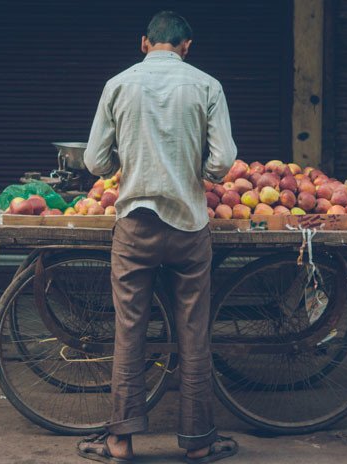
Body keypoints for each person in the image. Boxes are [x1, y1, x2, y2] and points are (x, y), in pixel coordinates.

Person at [80, 10, 238, 464]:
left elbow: (94, 160)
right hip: (189, 225)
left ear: (145, 43)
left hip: (135, 225)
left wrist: (119, 166)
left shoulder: (119, 84)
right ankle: (199, 442)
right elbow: (223, 159)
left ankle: (121, 441)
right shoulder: (207, 85)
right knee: (194, 333)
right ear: (187, 46)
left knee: (129, 331)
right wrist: (199, 173)